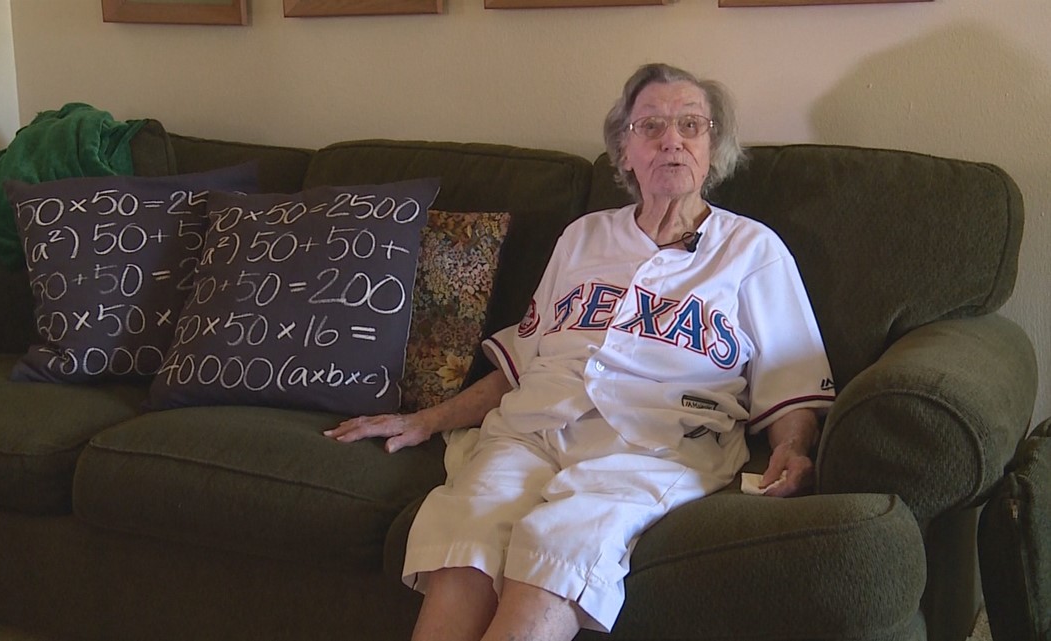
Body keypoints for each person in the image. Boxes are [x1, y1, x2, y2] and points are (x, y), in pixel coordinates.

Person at [324, 63, 836, 641]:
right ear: (625, 150)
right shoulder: (584, 237)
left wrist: (792, 448)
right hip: (532, 431)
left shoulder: (751, 250)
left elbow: (790, 380)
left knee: (557, 548)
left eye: (691, 125)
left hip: (652, 447)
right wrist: (424, 420)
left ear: (712, 146)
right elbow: (523, 365)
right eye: (652, 126)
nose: (673, 139)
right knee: (466, 539)